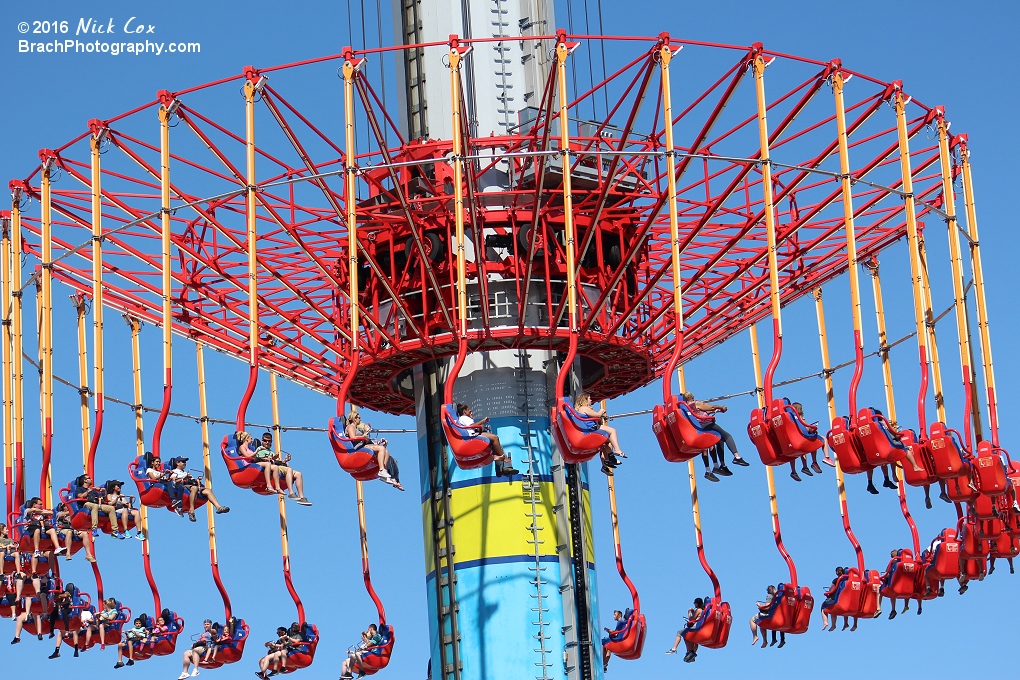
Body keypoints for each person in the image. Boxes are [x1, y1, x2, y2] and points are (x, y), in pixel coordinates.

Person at [682, 392, 750, 472]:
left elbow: (704, 412)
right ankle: (737, 457)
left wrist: (719, 410)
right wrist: (721, 407)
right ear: (691, 397)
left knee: (719, 439)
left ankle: (722, 464)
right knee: (727, 436)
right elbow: (712, 407)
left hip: (700, 426)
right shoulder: (695, 403)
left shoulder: (687, 407)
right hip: (706, 424)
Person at [456, 404, 520, 477]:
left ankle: (501, 469)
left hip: (473, 434)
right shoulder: (464, 418)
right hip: (472, 436)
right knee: (495, 438)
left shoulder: (464, 419)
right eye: (469, 411)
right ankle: (503, 459)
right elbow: (472, 426)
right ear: (464, 411)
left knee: (498, 446)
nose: (471, 413)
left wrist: (483, 423)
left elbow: (474, 427)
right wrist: (482, 420)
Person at [347, 414, 405, 492]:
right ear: (354, 419)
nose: (360, 420)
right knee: (381, 449)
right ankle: (381, 470)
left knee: (386, 451)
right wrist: (364, 435)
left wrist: (377, 443)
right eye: (359, 418)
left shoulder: (356, 428)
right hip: (359, 448)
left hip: (364, 445)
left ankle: (384, 471)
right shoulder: (351, 427)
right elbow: (353, 438)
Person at [165, 457, 230, 521]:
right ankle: (191, 510)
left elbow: (193, 481)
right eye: (183, 462)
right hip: (182, 485)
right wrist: (185, 477)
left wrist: (197, 480)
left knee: (208, 491)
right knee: (194, 488)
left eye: (185, 462)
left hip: (191, 485)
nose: (185, 463)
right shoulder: (174, 471)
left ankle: (218, 507)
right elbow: (174, 481)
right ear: (177, 463)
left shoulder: (186, 472)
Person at [258, 432, 312, 504]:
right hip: (271, 467)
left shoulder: (271, 452)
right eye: (265, 441)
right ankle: (291, 493)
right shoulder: (260, 449)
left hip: (277, 466)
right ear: (262, 441)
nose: (267, 443)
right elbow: (261, 459)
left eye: (269, 441)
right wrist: (272, 458)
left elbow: (277, 462)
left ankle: (302, 497)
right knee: (289, 470)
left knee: (298, 474)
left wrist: (285, 460)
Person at [22, 497, 66, 573]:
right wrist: (42, 512)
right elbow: (33, 510)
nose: (42, 506)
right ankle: (36, 550)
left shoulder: (41, 511)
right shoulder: (27, 510)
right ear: (34, 504)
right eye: (40, 504)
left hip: (42, 528)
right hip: (31, 528)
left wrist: (42, 512)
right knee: (37, 529)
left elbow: (51, 513)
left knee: (52, 530)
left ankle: (57, 548)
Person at [237, 431, 286, 496]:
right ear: (246, 439)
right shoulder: (242, 447)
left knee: (275, 467)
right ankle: (268, 485)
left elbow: (254, 457)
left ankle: (278, 487)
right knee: (267, 464)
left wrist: (265, 458)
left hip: (252, 463)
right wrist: (257, 451)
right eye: (251, 439)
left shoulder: (250, 449)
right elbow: (247, 456)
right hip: (247, 465)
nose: (252, 440)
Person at [666, 597, 704, 663]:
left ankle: (674, 648)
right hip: (700, 627)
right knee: (694, 640)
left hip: (695, 627)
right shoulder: (703, 610)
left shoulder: (698, 610)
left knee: (680, 632)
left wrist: (689, 612)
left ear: (697, 603)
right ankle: (691, 653)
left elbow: (691, 619)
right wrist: (693, 612)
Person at [47, 583, 78, 658]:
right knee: (53, 614)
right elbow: (56, 602)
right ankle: (56, 649)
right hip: (62, 611)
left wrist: (58, 596)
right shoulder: (57, 597)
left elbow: (65, 595)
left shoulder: (66, 593)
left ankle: (76, 649)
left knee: (64, 612)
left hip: (70, 610)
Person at [821, 567, 851, 631]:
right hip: (846, 600)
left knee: (824, 607)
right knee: (843, 607)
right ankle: (846, 623)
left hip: (836, 599)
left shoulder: (836, 580)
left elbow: (831, 590)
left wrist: (828, 593)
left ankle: (826, 622)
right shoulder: (848, 581)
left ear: (837, 572)